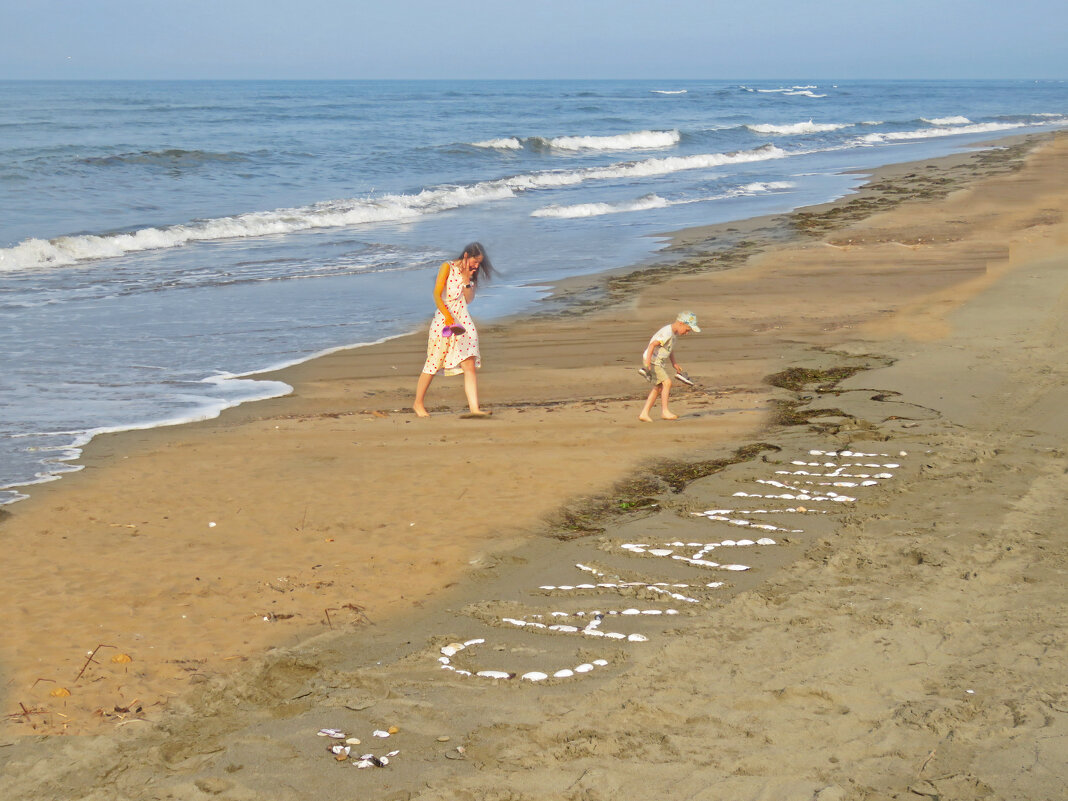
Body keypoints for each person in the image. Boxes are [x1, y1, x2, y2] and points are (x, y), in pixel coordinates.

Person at [413, 242, 495, 418]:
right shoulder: (447, 267)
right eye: (475, 261)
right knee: (433, 364)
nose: (476, 266)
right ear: (466, 255)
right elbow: (436, 294)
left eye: (479, 263)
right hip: (444, 320)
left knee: (469, 364)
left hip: (464, 321)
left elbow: (468, 300)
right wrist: (447, 317)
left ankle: (474, 408)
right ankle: (418, 403)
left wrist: (467, 281)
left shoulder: (470, 275)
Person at [638, 311, 700, 422]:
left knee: (658, 387)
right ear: (681, 323)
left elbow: (669, 350)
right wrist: (647, 363)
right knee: (667, 383)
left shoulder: (674, 334)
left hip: (657, 362)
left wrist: (674, 364)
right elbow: (652, 345)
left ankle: (644, 413)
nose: (687, 333)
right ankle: (665, 411)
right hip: (652, 361)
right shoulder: (667, 332)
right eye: (687, 330)